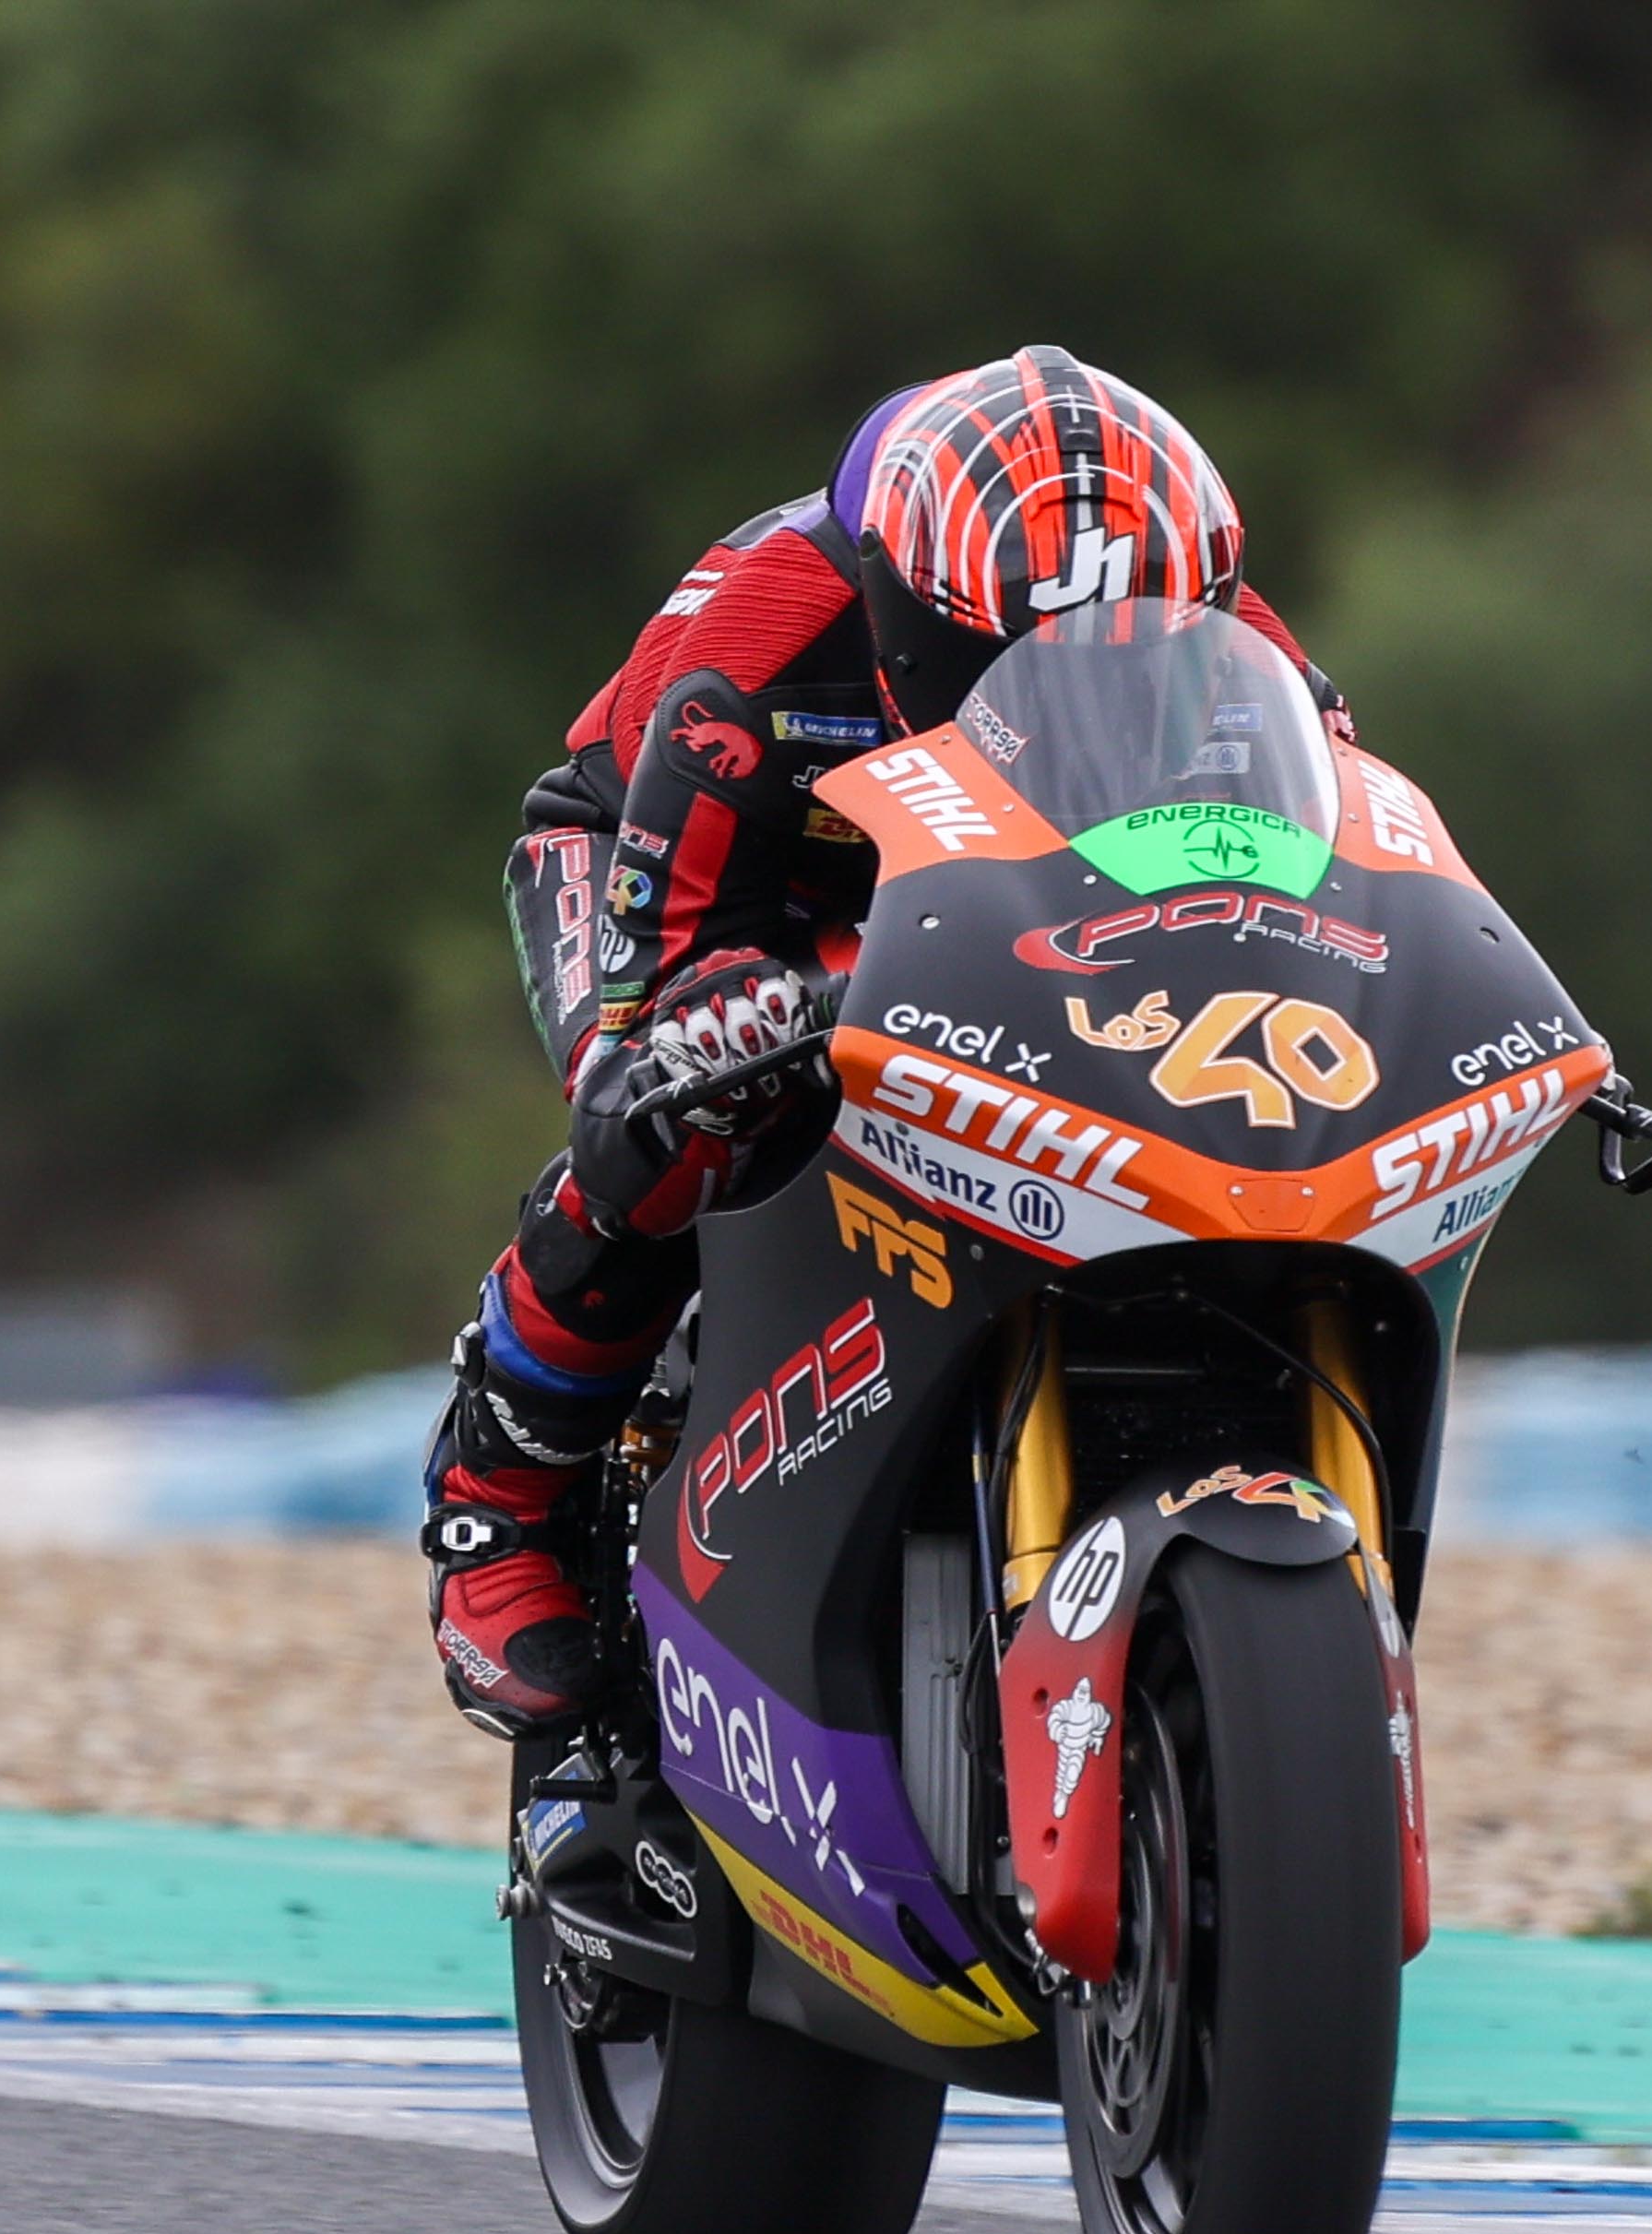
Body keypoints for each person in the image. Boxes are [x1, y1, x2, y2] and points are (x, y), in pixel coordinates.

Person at [422, 348, 1346, 1733]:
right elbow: (656, 981)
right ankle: (498, 1495)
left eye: (1126, 659)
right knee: (670, 1115)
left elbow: (1353, 878)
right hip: (689, 869)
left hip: (1030, 892)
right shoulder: (760, 655)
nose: (1074, 693)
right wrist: (716, 1014)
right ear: (909, 614)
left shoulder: (1255, 657)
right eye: (1007, 661)